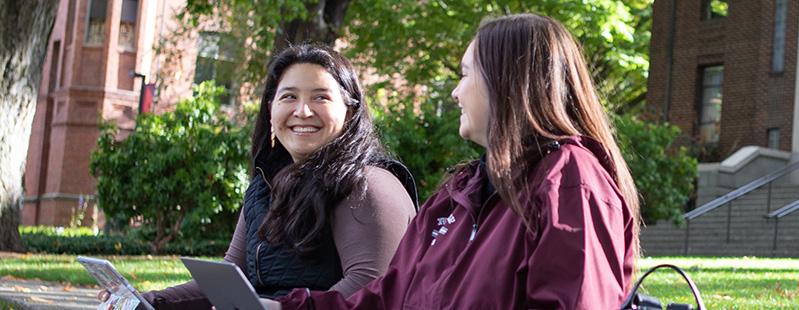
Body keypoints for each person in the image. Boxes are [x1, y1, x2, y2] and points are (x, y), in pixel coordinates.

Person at [264, 13, 641, 310]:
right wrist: (280, 308)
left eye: (464, 75)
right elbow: (385, 299)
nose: (455, 92)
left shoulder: (571, 184)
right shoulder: (460, 192)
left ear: (506, 82)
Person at [103, 44, 418, 309]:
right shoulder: (266, 185)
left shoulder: (369, 184)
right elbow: (230, 276)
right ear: (271, 109)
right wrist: (144, 301)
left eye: (320, 97)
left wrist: (280, 308)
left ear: (350, 111)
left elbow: (370, 289)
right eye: (289, 97)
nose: (303, 111)